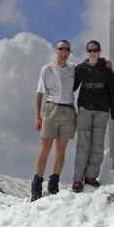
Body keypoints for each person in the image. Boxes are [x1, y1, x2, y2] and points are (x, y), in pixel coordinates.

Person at [31, 40, 77, 201]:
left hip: (69, 110)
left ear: (69, 52)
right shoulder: (47, 69)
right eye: (60, 49)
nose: (63, 51)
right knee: (44, 148)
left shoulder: (73, 69)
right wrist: (38, 116)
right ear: (55, 50)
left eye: (67, 49)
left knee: (61, 149)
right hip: (51, 109)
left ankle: (54, 182)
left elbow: (88, 68)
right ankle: (37, 183)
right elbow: (39, 94)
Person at [71, 40, 114, 192]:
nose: (93, 53)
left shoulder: (106, 69)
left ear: (99, 51)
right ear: (87, 52)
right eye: (90, 50)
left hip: (102, 111)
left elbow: (113, 91)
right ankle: (78, 179)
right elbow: (72, 87)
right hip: (85, 110)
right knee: (83, 145)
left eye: (95, 50)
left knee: (97, 145)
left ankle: (91, 176)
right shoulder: (80, 69)